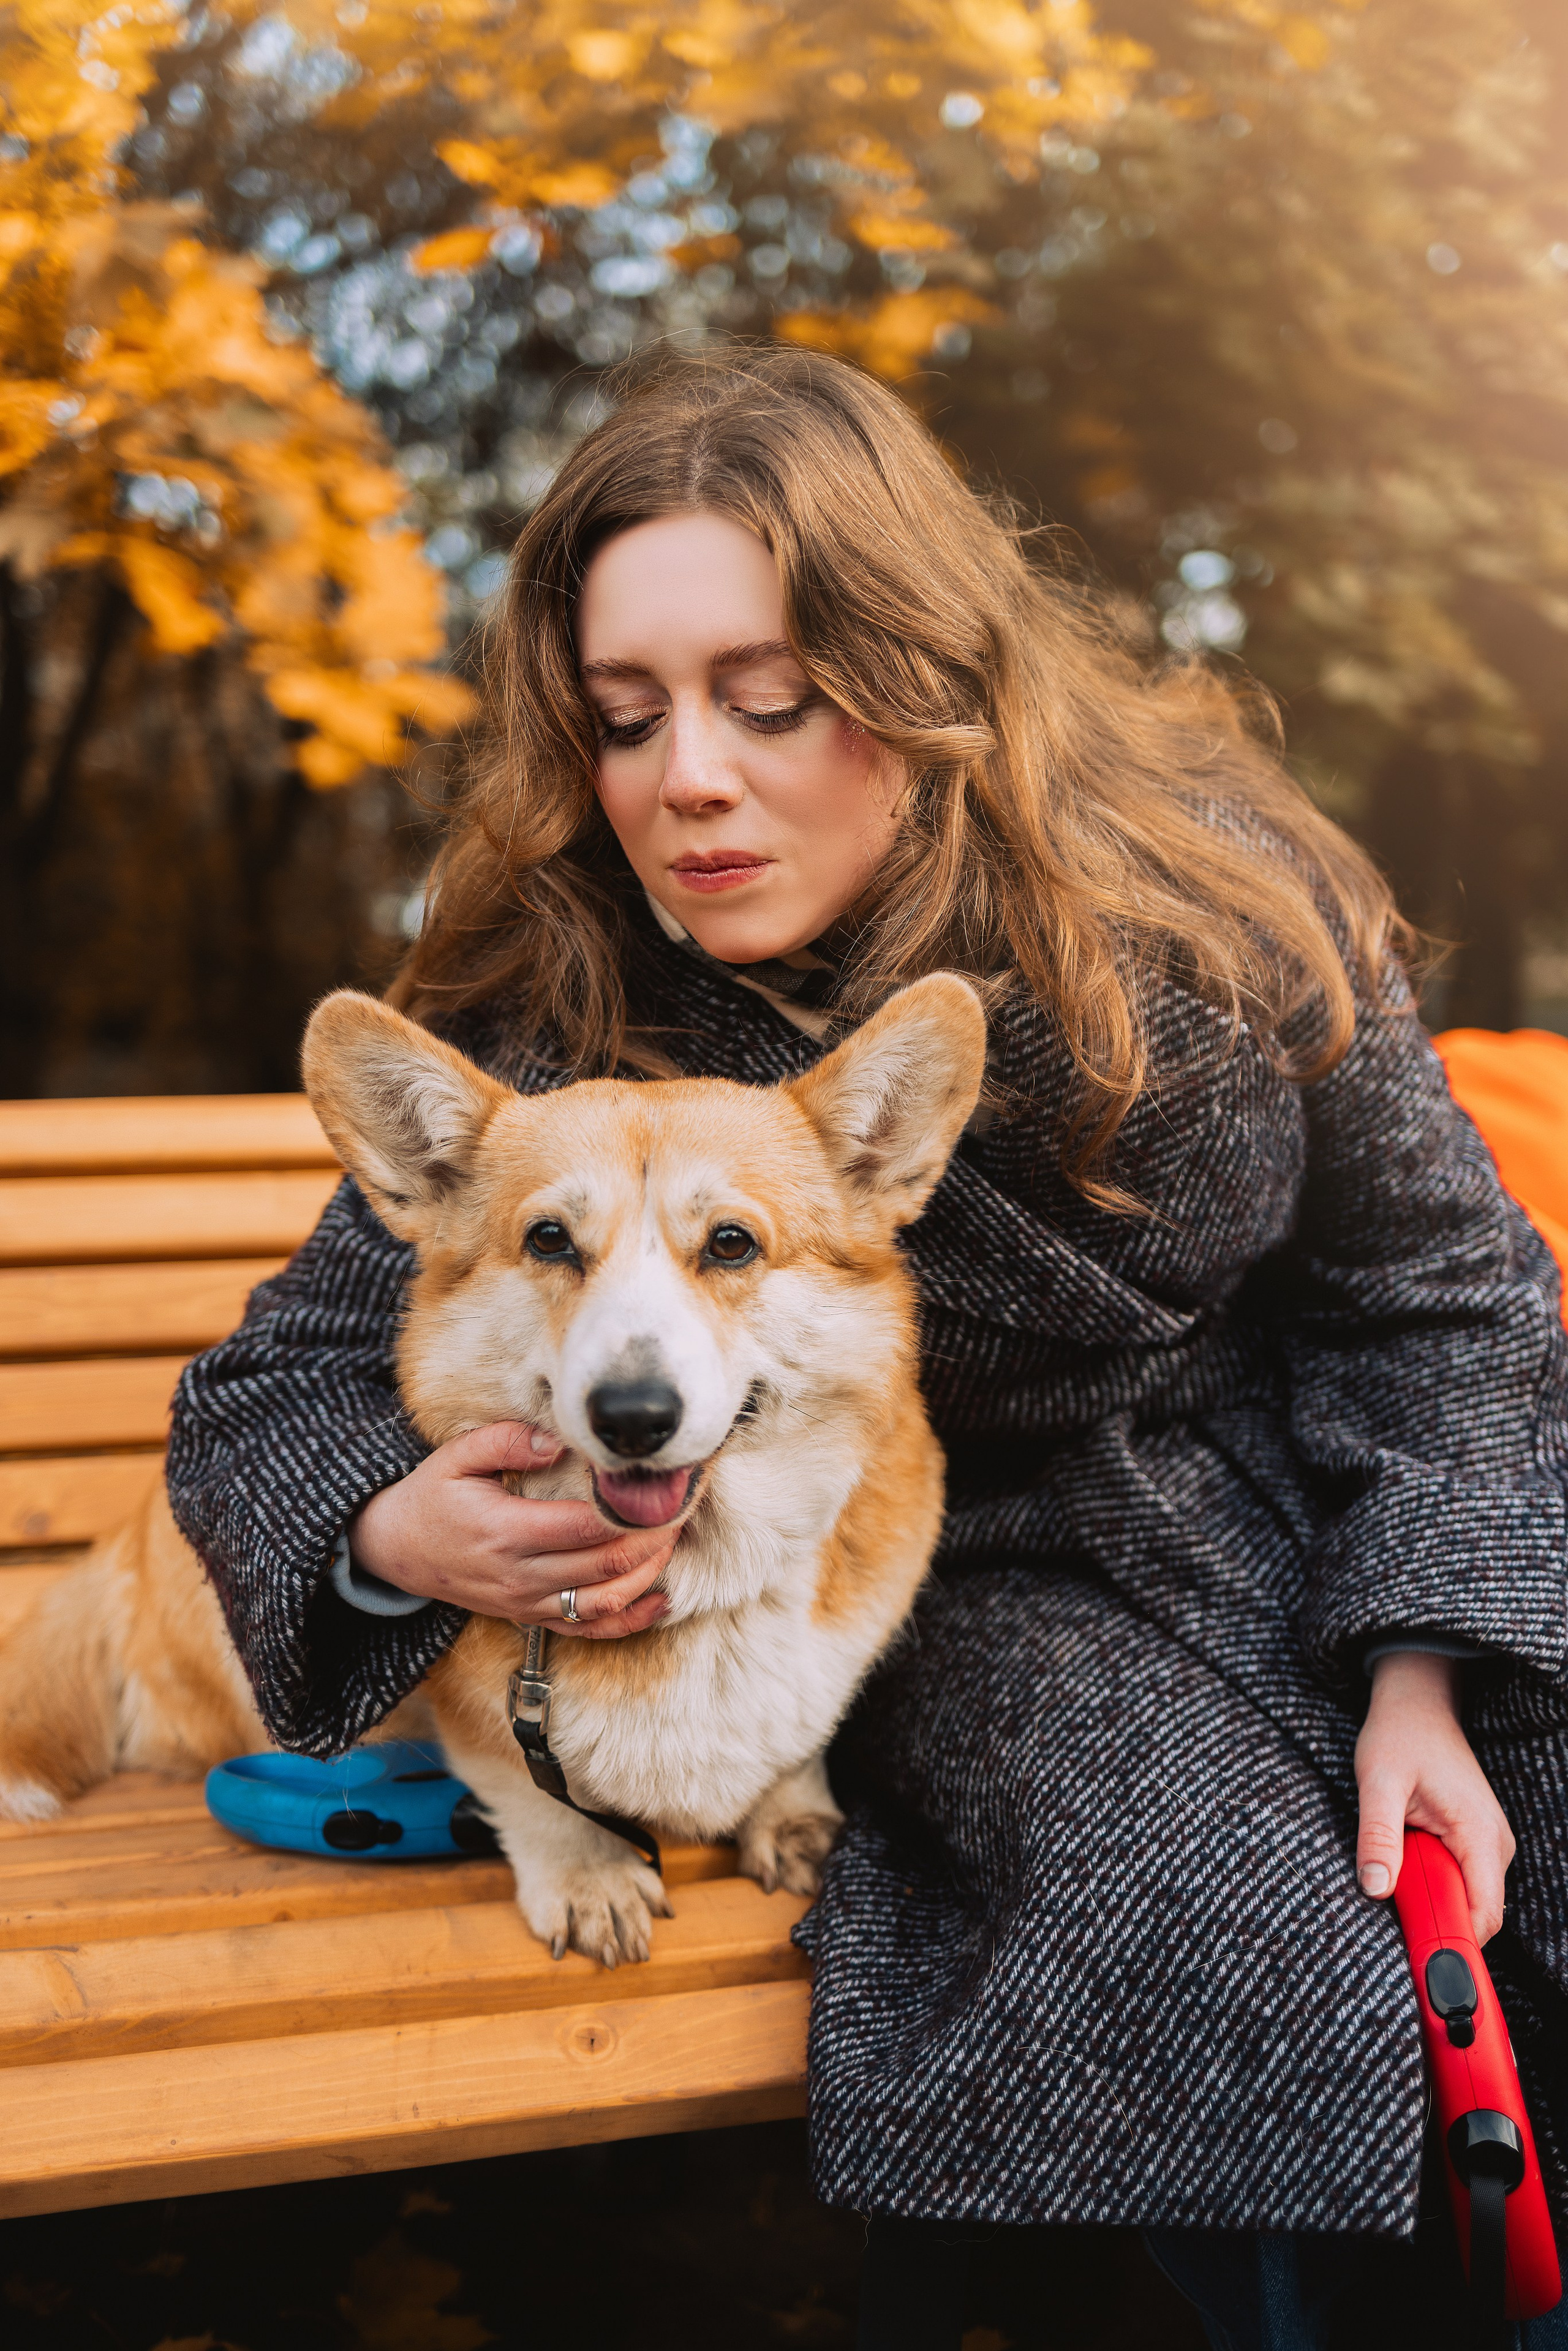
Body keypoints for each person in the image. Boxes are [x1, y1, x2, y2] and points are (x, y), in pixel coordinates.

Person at [167, 347, 1568, 2349]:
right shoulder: (549, 992)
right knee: (1252, 1959)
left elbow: (1442, 1286)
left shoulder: (1224, 898)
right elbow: (275, 1392)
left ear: (921, 674)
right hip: (939, 1585)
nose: (689, 780)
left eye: (769, 697)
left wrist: (1424, 1662)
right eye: (627, 717)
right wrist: (397, 1535)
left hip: (1339, 1516)